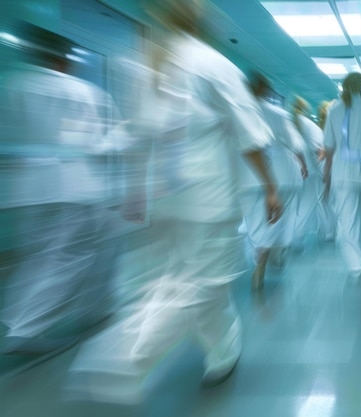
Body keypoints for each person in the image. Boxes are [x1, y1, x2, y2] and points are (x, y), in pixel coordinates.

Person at [66, 0, 282, 402]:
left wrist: (131, 192)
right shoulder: (213, 64)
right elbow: (250, 136)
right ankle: (121, 359)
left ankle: (224, 353)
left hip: (159, 200)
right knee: (200, 285)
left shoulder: (143, 63)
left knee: (187, 283)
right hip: (205, 199)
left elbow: (133, 136)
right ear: (199, 18)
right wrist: (270, 186)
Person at [0, 22, 123, 355]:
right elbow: (103, 143)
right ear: (64, 60)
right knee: (69, 258)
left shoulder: (14, 85)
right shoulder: (86, 93)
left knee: (36, 258)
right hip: (76, 189)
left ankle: (19, 321)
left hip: (26, 190)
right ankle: (28, 331)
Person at [242, 72, 307, 289]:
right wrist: (303, 163)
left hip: (248, 173)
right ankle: (272, 253)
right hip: (282, 171)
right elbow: (296, 143)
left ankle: (260, 252)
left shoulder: (242, 111)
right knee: (279, 218)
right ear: (267, 92)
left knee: (254, 220)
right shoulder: (279, 113)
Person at [323, 73, 361, 277]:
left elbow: (328, 147)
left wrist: (326, 174)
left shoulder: (334, 110)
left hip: (342, 171)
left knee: (348, 217)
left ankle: (356, 262)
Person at [292, 96, 334, 243]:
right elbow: (320, 151)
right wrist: (323, 166)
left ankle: (323, 232)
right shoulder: (311, 126)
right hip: (314, 171)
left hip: (302, 170)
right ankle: (297, 235)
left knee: (306, 203)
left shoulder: (296, 122)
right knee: (315, 203)